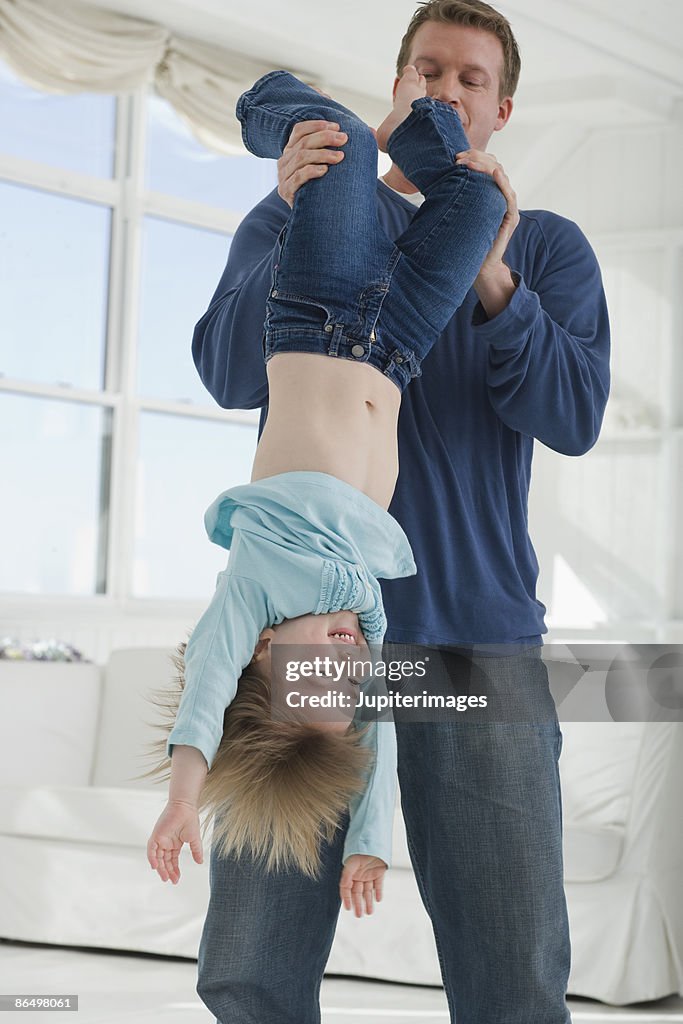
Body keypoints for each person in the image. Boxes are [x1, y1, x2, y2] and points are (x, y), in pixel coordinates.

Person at [173, 3, 611, 1022]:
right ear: (397, 82)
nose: (444, 91)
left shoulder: (546, 248)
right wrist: (286, 216)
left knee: (511, 976)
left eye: (468, 79)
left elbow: (572, 415)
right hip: (301, 639)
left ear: (499, 110)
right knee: (248, 965)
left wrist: (493, 268)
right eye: (427, 69)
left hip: (472, 643)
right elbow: (228, 373)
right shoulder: (303, 207)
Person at [145, 62, 507, 927]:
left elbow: (202, 709)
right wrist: (367, 843)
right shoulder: (360, 610)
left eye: (318, 671)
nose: (345, 660)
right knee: (480, 204)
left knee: (334, 148)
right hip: (397, 346)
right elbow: (373, 746)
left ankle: (263, 103)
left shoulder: (253, 591)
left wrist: (181, 799)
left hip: (317, 311)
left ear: (264, 655)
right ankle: (418, 128)